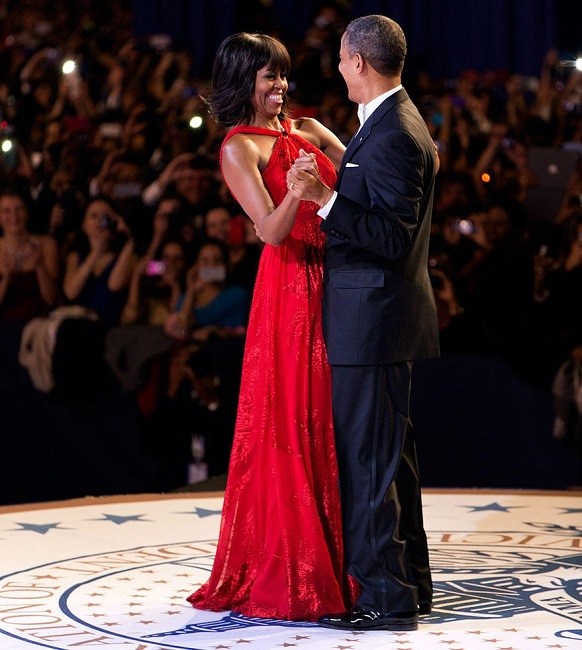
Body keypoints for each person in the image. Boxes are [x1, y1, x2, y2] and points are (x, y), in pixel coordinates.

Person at [187, 32, 356, 621]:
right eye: (267, 77)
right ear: (243, 83)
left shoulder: (308, 130)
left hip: (336, 280)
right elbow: (271, 230)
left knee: (332, 417)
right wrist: (303, 192)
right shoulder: (239, 148)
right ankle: (294, 566)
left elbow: (361, 162)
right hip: (288, 290)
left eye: (282, 75)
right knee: (291, 414)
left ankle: (345, 557)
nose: (280, 86)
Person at [287, 15, 440, 631]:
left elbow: (389, 234)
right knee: (391, 462)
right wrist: (332, 159)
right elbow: (377, 197)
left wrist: (321, 199)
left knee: (370, 467)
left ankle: (385, 598)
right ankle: (409, 584)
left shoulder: (396, 132)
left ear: (359, 63)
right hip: (379, 320)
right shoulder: (391, 125)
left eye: (344, 62)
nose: (341, 71)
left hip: (372, 321)